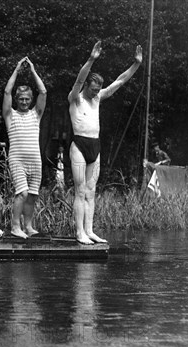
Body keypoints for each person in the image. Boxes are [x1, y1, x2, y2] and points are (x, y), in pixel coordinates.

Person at [68, 41, 142, 244]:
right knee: (80, 190)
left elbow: (120, 81)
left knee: (91, 191)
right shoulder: (76, 98)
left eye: (97, 90)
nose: (95, 93)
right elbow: (78, 79)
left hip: (95, 146)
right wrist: (92, 59)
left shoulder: (97, 98)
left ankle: (90, 231)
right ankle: (79, 232)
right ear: (86, 86)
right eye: (92, 89)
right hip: (80, 146)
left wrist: (136, 64)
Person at [2, 57, 47, 238]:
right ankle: (15, 226)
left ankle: (28, 226)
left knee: (33, 195)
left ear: (30, 100)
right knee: (22, 193)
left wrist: (34, 71)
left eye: (27, 99)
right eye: (21, 98)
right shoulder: (10, 115)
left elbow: (43, 92)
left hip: (35, 159)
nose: (24, 101)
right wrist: (17, 70)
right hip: (17, 159)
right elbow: (6, 92)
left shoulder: (36, 114)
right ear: (17, 100)